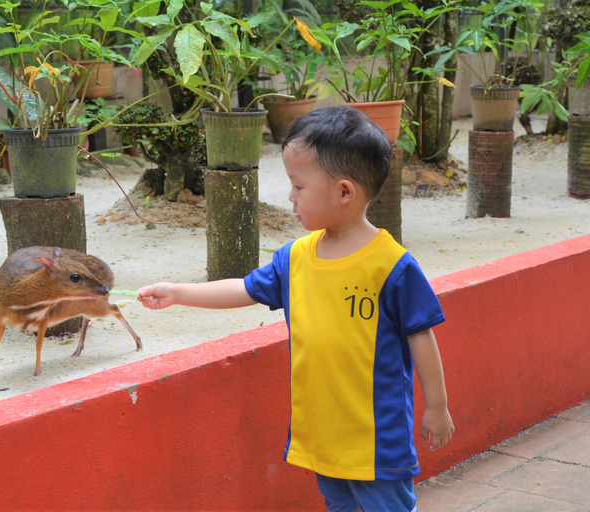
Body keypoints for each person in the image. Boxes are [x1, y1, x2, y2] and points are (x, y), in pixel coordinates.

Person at [136, 106, 454, 512]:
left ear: (344, 192)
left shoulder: (392, 266)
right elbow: (245, 289)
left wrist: (438, 408)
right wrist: (178, 292)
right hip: (321, 432)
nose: (290, 197)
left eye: (298, 186)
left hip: (376, 439)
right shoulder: (295, 258)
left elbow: (421, 337)